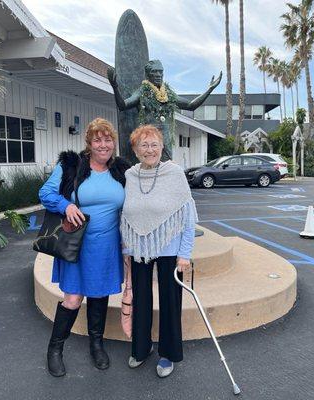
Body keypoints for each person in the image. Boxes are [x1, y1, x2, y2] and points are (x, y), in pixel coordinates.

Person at [39, 117, 131, 376]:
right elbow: (46, 193)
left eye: (108, 139)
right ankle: (55, 349)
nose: (103, 144)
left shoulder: (121, 170)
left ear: (114, 142)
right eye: (97, 139)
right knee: (73, 299)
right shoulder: (71, 165)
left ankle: (96, 345)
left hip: (107, 246)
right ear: (89, 143)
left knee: (100, 295)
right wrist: (65, 206)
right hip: (76, 245)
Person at [120, 124, 197, 378]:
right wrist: (129, 248)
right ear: (135, 149)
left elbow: (188, 217)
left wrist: (184, 254)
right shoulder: (130, 175)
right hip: (140, 249)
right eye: (144, 145)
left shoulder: (174, 173)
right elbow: (128, 214)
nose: (149, 150)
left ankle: (168, 354)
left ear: (162, 147)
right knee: (141, 299)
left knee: (170, 301)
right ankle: (141, 349)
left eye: (154, 144)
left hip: (170, 248)